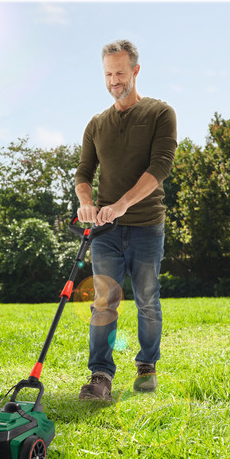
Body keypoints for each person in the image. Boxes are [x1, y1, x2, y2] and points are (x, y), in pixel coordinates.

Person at [74, 39, 177, 402]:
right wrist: (87, 203)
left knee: (147, 298)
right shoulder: (96, 124)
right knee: (104, 301)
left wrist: (121, 204)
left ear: (135, 70)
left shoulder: (160, 113)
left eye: (119, 72)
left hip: (147, 226)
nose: (114, 80)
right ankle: (101, 375)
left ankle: (147, 365)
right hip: (105, 231)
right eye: (108, 74)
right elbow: (83, 173)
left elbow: (160, 166)